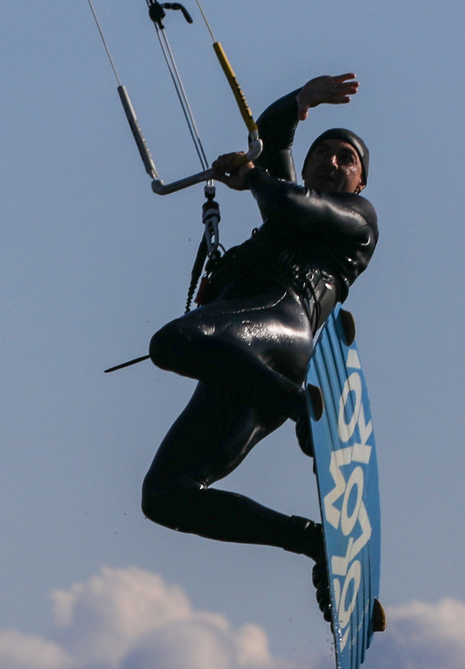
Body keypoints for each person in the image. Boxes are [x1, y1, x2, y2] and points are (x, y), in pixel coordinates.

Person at [140, 71, 378, 623]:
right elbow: (270, 140)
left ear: (360, 182)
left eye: (347, 159)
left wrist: (253, 180)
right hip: (242, 360)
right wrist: (302, 100)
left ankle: (296, 406)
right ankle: (310, 542)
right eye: (325, 153)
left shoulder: (359, 220)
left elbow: (292, 205)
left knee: (173, 341)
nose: (333, 163)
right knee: (166, 495)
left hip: (282, 328)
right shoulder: (283, 190)